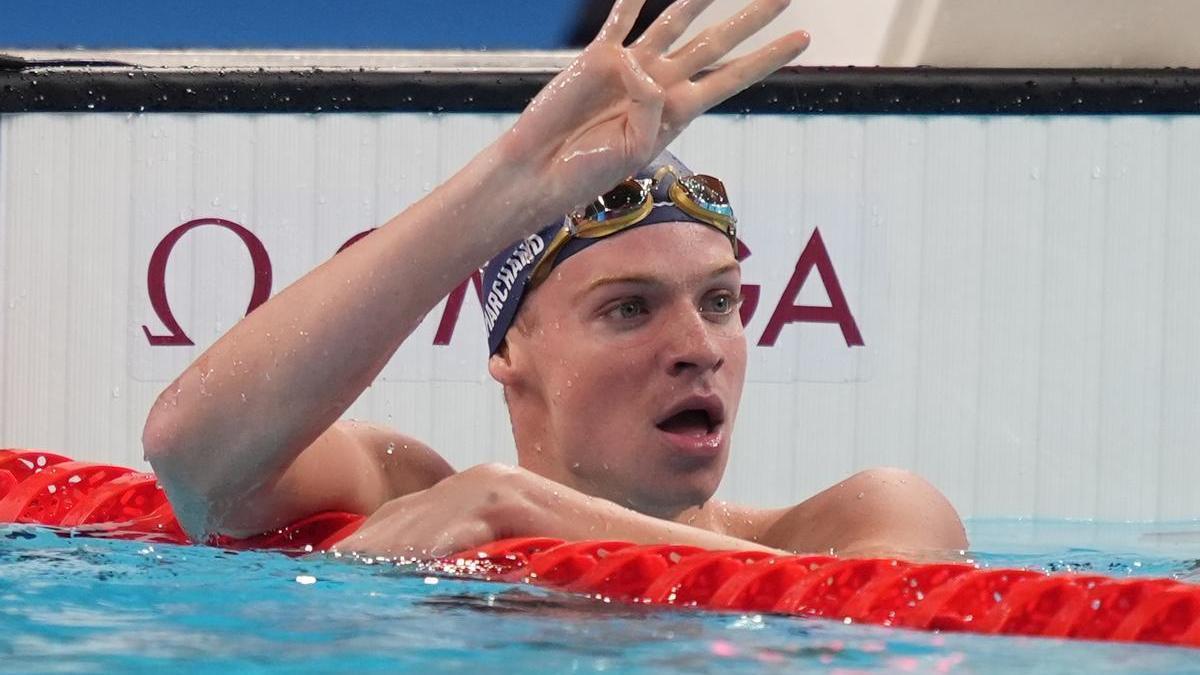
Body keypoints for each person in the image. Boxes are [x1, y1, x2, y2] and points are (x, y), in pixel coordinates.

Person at [143, 0, 967, 559]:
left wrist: (535, 514)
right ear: (512, 348)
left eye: (720, 301)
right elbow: (196, 458)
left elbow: (888, 608)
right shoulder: (409, 495)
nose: (698, 349)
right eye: (630, 308)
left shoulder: (861, 520)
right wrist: (507, 182)